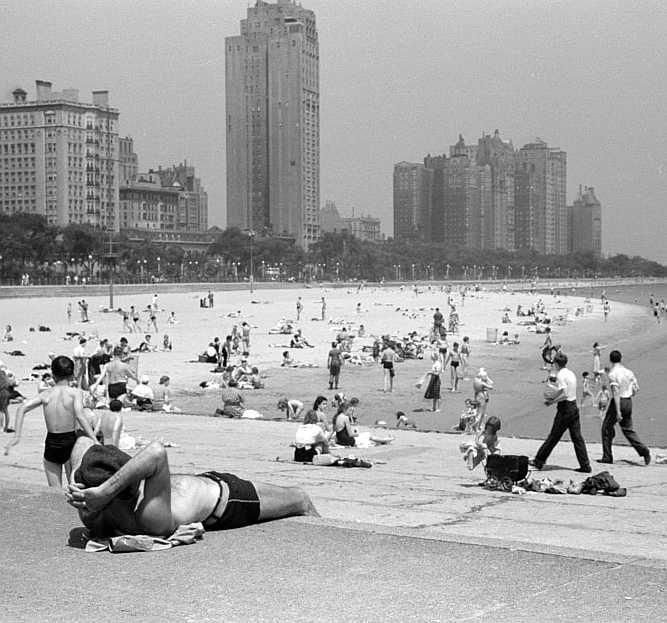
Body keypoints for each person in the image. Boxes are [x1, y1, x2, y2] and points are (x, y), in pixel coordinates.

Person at [66, 438, 319, 537]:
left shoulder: (90, 515)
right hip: (229, 500)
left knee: (301, 500)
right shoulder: (146, 519)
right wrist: (105, 492)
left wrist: (79, 486)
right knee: (301, 500)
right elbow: (155, 451)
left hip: (208, 484)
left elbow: (81, 442)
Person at [4, 356, 98, 486]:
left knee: (55, 491)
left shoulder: (46, 394)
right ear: (72, 375)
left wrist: (16, 436)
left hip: (52, 443)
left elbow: (22, 408)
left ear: (53, 374)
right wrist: (94, 438)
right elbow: (80, 415)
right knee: (74, 486)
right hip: (70, 441)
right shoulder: (75, 393)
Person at [530, 352, 592, 473]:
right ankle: (585, 465)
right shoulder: (571, 373)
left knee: (554, 436)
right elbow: (566, 391)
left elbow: (564, 394)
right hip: (574, 407)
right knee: (577, 437)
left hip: (565, 408)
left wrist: (551, 401)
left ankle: (538, 461)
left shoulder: (560, 375)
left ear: (557, 364)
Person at [598, 350, 650, 465]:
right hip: (628, 401)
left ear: (611, 360)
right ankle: (643, 450)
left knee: (606, 428)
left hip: (618, 401)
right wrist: (629, 394)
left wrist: (617, 411)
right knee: (628, 430)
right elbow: (636, 388)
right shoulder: (628, 372)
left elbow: (615, 392)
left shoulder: (613, 374)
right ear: (621, 359)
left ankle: (607, 456)